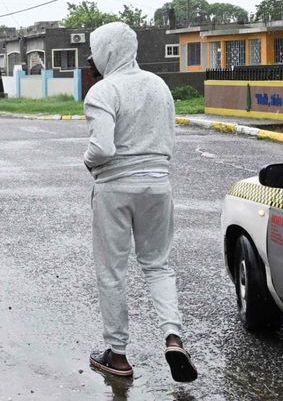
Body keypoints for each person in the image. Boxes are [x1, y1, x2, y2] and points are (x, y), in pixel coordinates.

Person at [82, 22, 197, 383]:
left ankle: (117, 356)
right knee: (158, 266)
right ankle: (173, 337)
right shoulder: (159, 86)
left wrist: (87, 161)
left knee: (112, 271)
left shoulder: (103, 91)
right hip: (158, 185)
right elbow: (170, 137)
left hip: (116, 187)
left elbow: (102, 149)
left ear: (106, 51)